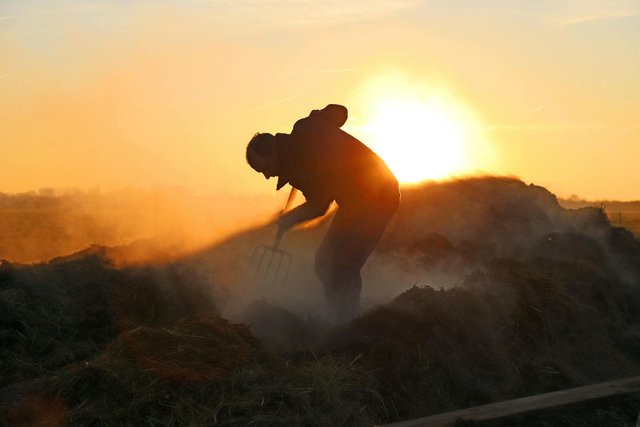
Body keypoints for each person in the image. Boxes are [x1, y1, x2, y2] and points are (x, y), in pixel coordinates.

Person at [246, 104, 400, 320]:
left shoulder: (307, 132)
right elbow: (319, 205)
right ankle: (335, 312)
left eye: (264, 169)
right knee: (324, 259)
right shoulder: (298, 165)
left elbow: (340, 111)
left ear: (273, 152)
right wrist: (290, 218)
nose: (267, 176)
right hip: (353, 203)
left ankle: (347, 323)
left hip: (380, 194)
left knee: (343, 261)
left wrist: (321, 121)